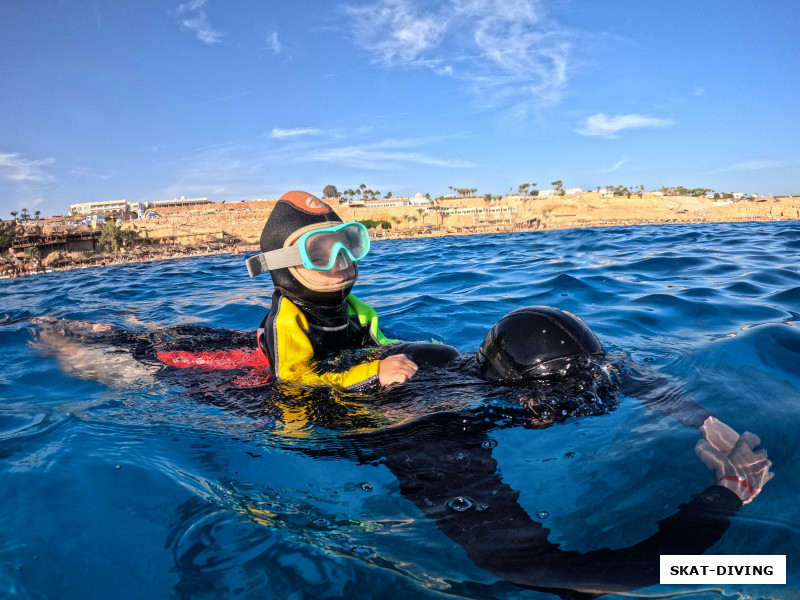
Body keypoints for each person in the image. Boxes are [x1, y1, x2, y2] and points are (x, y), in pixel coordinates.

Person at [246, 190, 458, 392]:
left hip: (340, 364)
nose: (340, 263)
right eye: (318, 257)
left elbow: (381, 345)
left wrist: (421, 354)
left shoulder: (358, 310)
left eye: (346, 249)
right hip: (296, 386)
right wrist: (374, 375)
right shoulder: (286, 321)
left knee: (440, 355)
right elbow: (293, 382)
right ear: (284, 266)